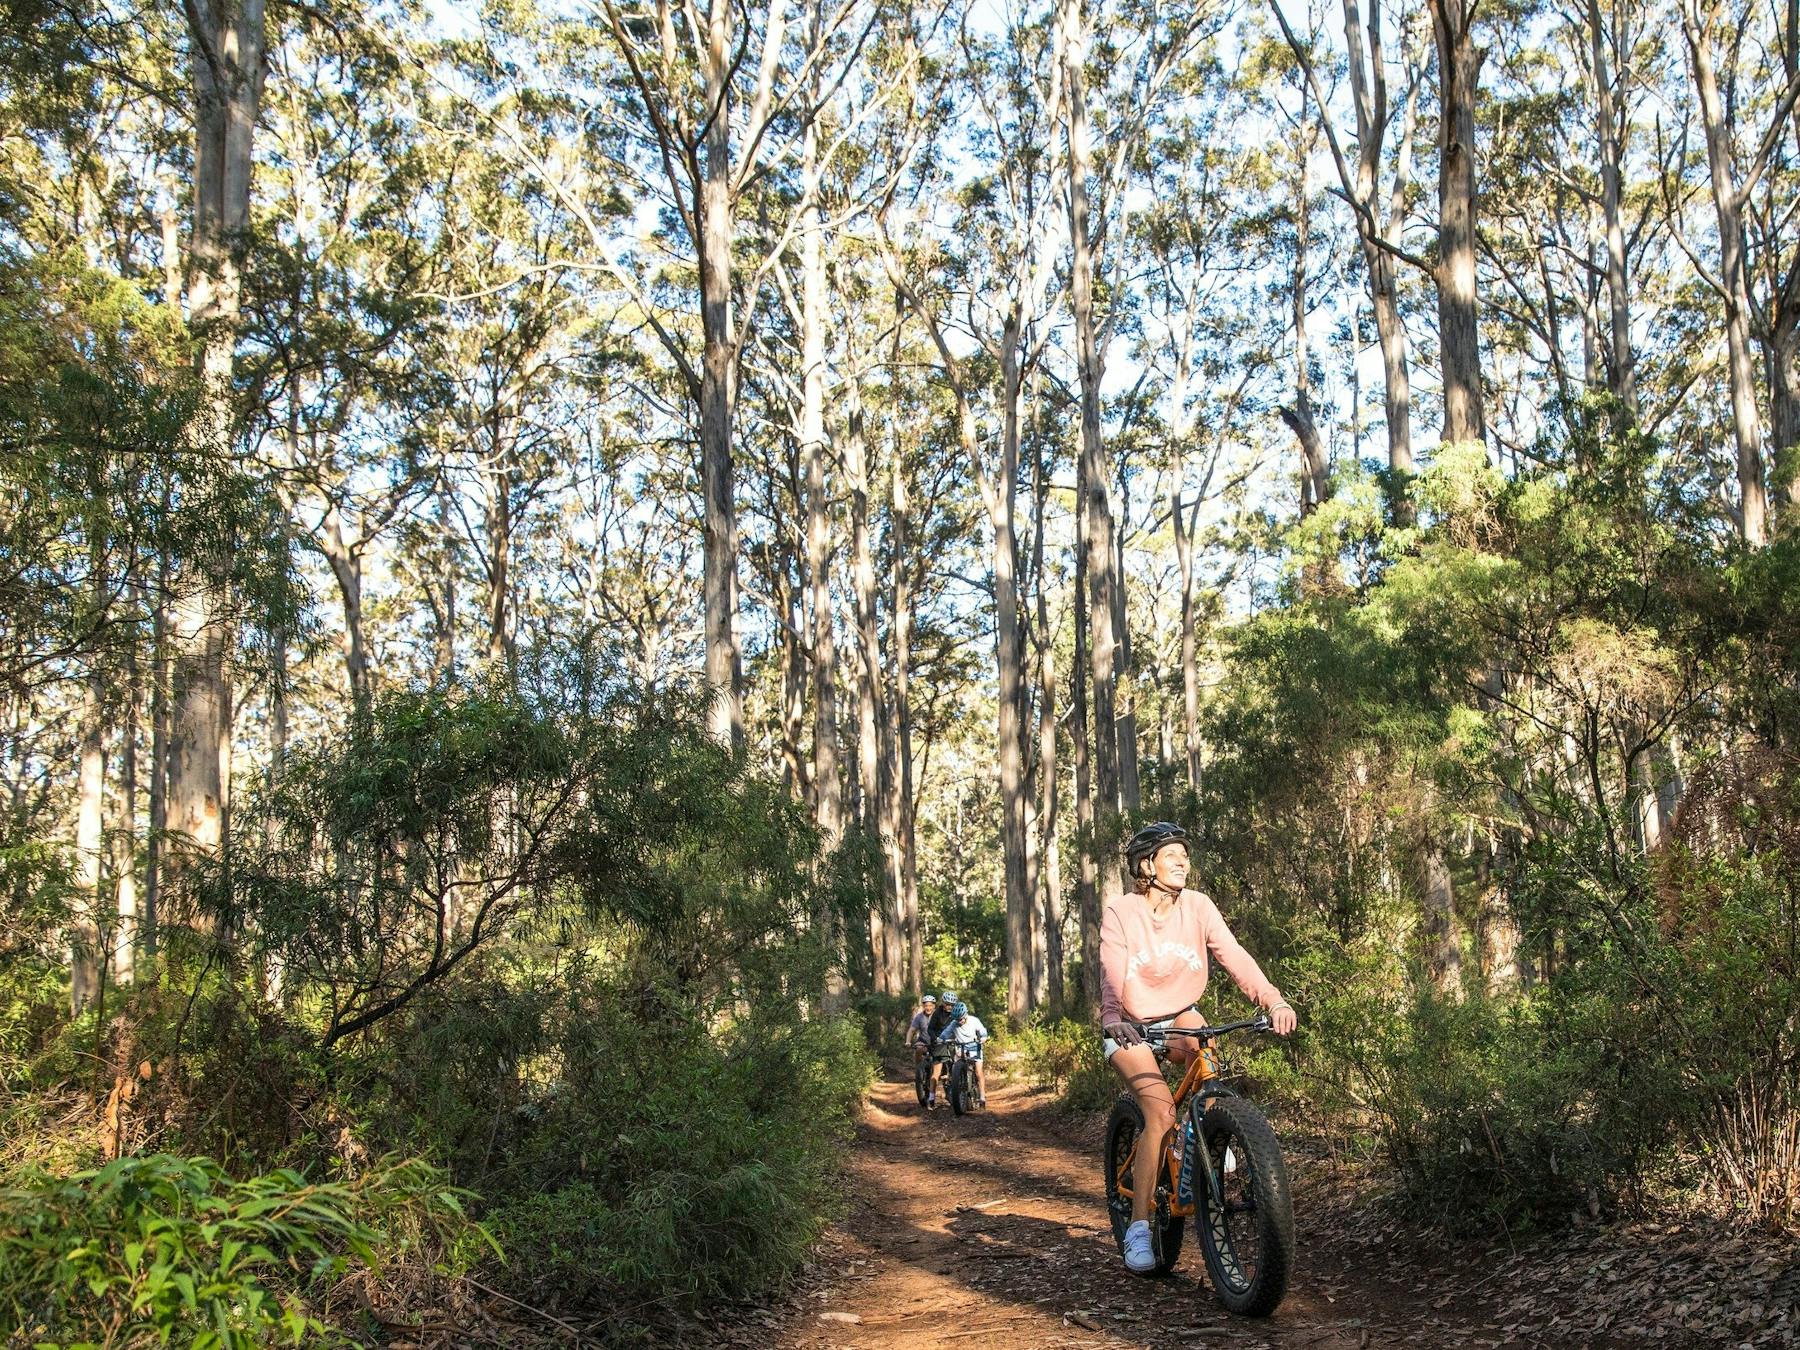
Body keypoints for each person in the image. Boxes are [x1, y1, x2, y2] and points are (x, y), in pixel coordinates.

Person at [1100, 821, 1297, 1274]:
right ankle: (1139, 1228)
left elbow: (1235, 955)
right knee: (1160, 1114)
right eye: (1172, 855)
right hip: (1130, 1024)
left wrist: (1273, 999)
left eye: (1186, 855)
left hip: (1179, 1013)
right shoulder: (1122, 912)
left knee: (1206, 1049)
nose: (1183, 862)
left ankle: (1210, 1135)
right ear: (1146, 866)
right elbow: (1111, 970)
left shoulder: (1198, 907)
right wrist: (1113, 1019)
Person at [935, 1000, 989, 1107]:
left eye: (961, 1019)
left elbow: (982, 1031)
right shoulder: (954, 1023)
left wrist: (983, 1038)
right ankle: (957, 1089)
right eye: (957, 1019)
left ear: (966, 1015)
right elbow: (945, 1033)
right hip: (960, 1048)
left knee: (978, 1072)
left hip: (974, 1047)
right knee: (955, 1068)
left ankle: (982, 1096)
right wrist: (940, 1039)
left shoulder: (974, 1020)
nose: (959, 1021)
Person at [924, 990, 959, 1109]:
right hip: (940, 1043)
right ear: (943, 1003)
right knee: (936, 1072)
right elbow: (930, 1029)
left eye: (952, 1004)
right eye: (947, 1004)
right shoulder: (937, 1013)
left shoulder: (957, 1012)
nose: (949, 1006)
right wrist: (936, 1038)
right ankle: (932, 1098)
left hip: (954, 1042)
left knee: (958, 1066)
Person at [907, 994, 937, 1100]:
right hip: (923, 1042)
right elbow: (912, 1030)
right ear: (923, 1006)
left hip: (937, 1043)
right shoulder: (919, 1017)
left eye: (930, 1005)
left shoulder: (938, 1015)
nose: (928, 1008)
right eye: (926, 1005)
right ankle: (919, 1069)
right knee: (918, 1048)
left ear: (934, 1006)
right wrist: (908, 1041)